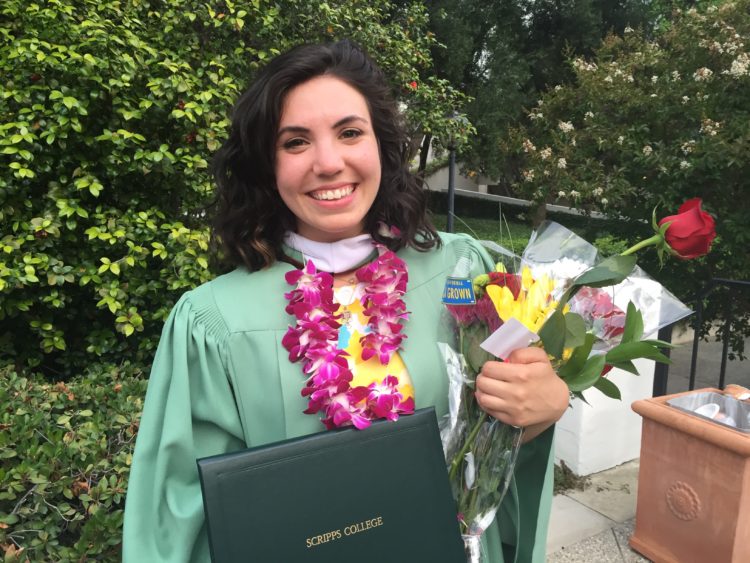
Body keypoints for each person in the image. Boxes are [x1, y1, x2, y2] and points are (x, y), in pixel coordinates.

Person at [122, 39, 569, 562]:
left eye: (350, 132)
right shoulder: (212, 322)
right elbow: (179, 521)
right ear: (267, 164)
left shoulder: (462, 270)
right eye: (295, 142)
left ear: (380, 143)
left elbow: (498, 442)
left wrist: (543, 408)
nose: (328, 163)